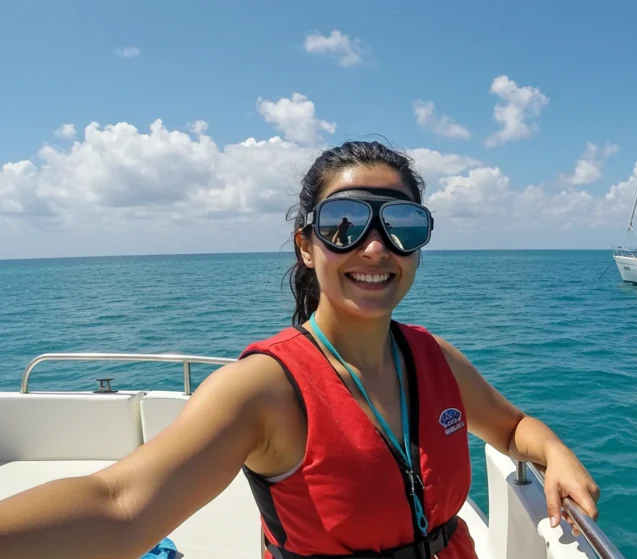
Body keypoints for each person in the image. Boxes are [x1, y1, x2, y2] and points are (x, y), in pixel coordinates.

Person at [0, 141, 600, 559]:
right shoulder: (264, 388)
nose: (373, 248)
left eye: (401, 225)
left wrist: (556, 452)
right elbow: (118, 504)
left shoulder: (433, 358)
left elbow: (512, 425)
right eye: (343, 224)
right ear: (307, 246)